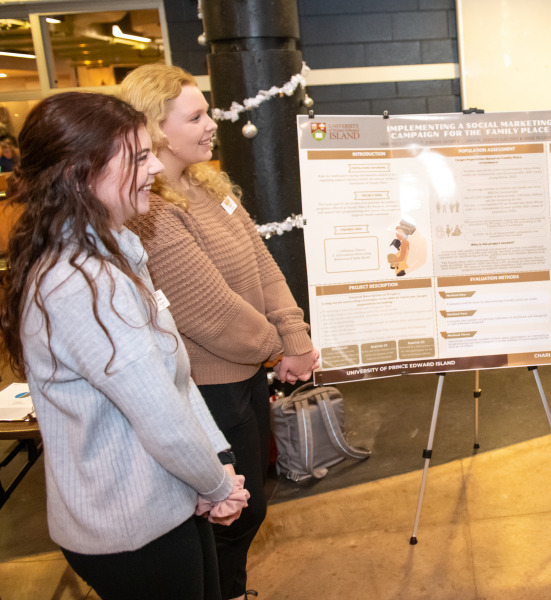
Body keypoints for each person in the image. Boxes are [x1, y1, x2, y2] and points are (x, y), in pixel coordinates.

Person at [0, 92, 248, 599]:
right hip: (132, 526)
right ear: (79, 174)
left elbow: (172, 374)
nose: (155, 165)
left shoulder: (117, 247)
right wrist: (217, 485)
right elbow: (158, 414)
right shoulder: (80, 283)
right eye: (137, 157)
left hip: (170, 498)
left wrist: (215, 461)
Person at [118, 64, 320, 600]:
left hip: (248, 375)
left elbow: (264, 265)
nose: (212, 123)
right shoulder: (151, 211)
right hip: (210, 389)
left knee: (246, 508)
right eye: (197, 115)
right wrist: (280, 349)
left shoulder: (208, 187)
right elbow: (210, 311)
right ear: (155, 128)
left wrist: (294, 339)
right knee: (229, 516)